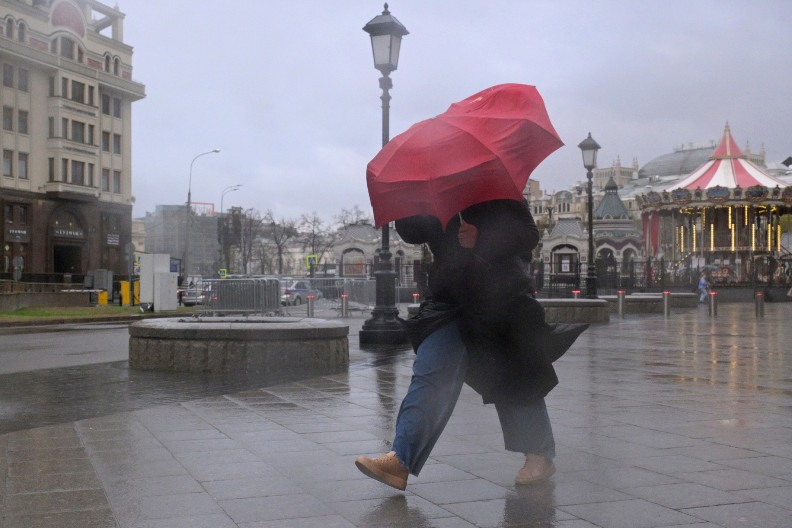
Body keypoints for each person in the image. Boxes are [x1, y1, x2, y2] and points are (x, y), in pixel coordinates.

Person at [355, 199, 587, 491]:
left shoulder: (497, 188)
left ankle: (539, 456)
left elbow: (528, 234)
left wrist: (483, 238)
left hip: (500, 300)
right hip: (450, 301)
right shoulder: (436, 189)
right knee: (430, 372)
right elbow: (414, 232)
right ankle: (400, 460)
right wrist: (407, 203)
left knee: (514, 378)